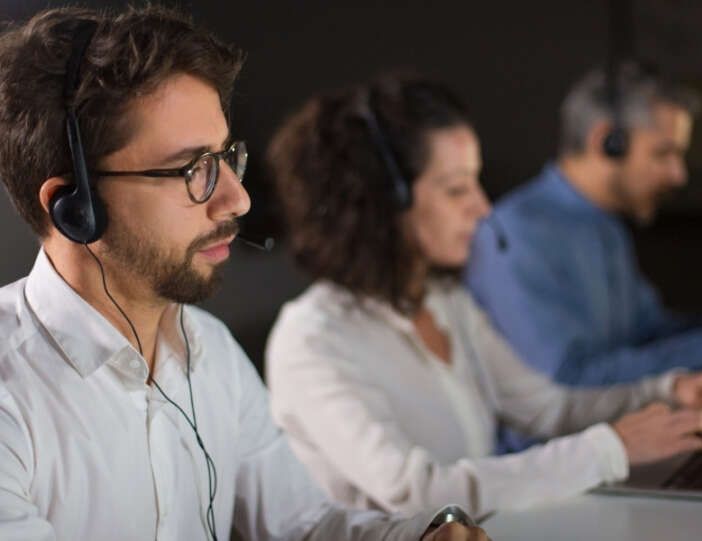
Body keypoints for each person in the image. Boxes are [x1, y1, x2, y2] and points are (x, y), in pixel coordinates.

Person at [0, 7, 489, 541]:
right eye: (193, 170)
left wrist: (421, 536)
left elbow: (302, 526)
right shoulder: (12, 394)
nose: (237, 198)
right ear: (75, 206)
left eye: (226, 157)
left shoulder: (211, 353)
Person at [263, 73, 702, 519]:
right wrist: (610, 449)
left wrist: (670, 390)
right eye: (457, 189)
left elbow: (546, 409)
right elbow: (416, 495)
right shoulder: (312, 340)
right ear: (382, 203)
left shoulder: (443, 302)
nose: (483, 210)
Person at [464, 62, 702, 452]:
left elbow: (642, 333)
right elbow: (566, 383)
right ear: (606, 142)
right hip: (554, 471)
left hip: (621, 448)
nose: (678, 175)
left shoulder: (605, 224)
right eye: (663, 154)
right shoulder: (515, 235)